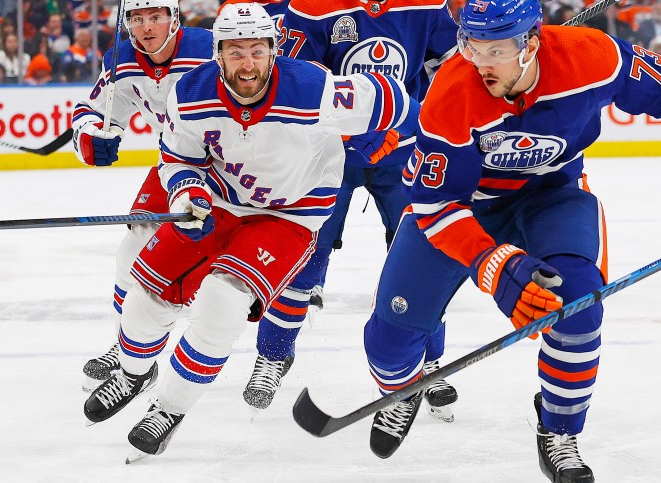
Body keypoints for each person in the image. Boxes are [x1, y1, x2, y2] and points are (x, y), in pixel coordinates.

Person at [359, 1, 661, 479]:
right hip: (464, 210)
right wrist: (493, 263)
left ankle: (559, 429)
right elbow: (434, 204)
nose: (479, 61)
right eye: (470, 44)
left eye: (496, 48)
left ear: (530, 42)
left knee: (579, 309)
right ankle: (403, 390)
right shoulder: (452, 89)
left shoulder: (592, 57)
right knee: (389, 343)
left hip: (552, 197)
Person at [82, 2, 419, 461]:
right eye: (235, 51)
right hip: (221, 201)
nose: (247, 62)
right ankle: (135, 371)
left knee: (222, 301)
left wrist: (387, 132)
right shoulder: (191, 93)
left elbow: (398, 101)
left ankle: (169, 408)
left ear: (273, 50)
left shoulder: (313, 88)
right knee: (147, 297)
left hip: (289, 213)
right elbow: (179, 158)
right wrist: (189, 195)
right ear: (217, 53)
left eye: (257, 50)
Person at [243, 0, 462, 423]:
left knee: (424, 262)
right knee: (302, 258)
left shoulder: (427, 4)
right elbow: (296, 80)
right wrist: (348, 129)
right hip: (327, 154)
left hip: (402, 155)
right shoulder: (312, 6)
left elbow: (454, 67)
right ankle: (273, 356)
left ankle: (428, 361)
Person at [71, 0, 214, 392]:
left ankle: (274, 352)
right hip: (176, 163)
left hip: (233, 168)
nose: (146, 27)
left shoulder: (209, 49)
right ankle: (126, 348)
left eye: (156, 17)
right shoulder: (122, 59)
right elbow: (93, 109)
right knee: (131, 250)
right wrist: (90, 137)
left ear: (174, 18)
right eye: (137, 19)